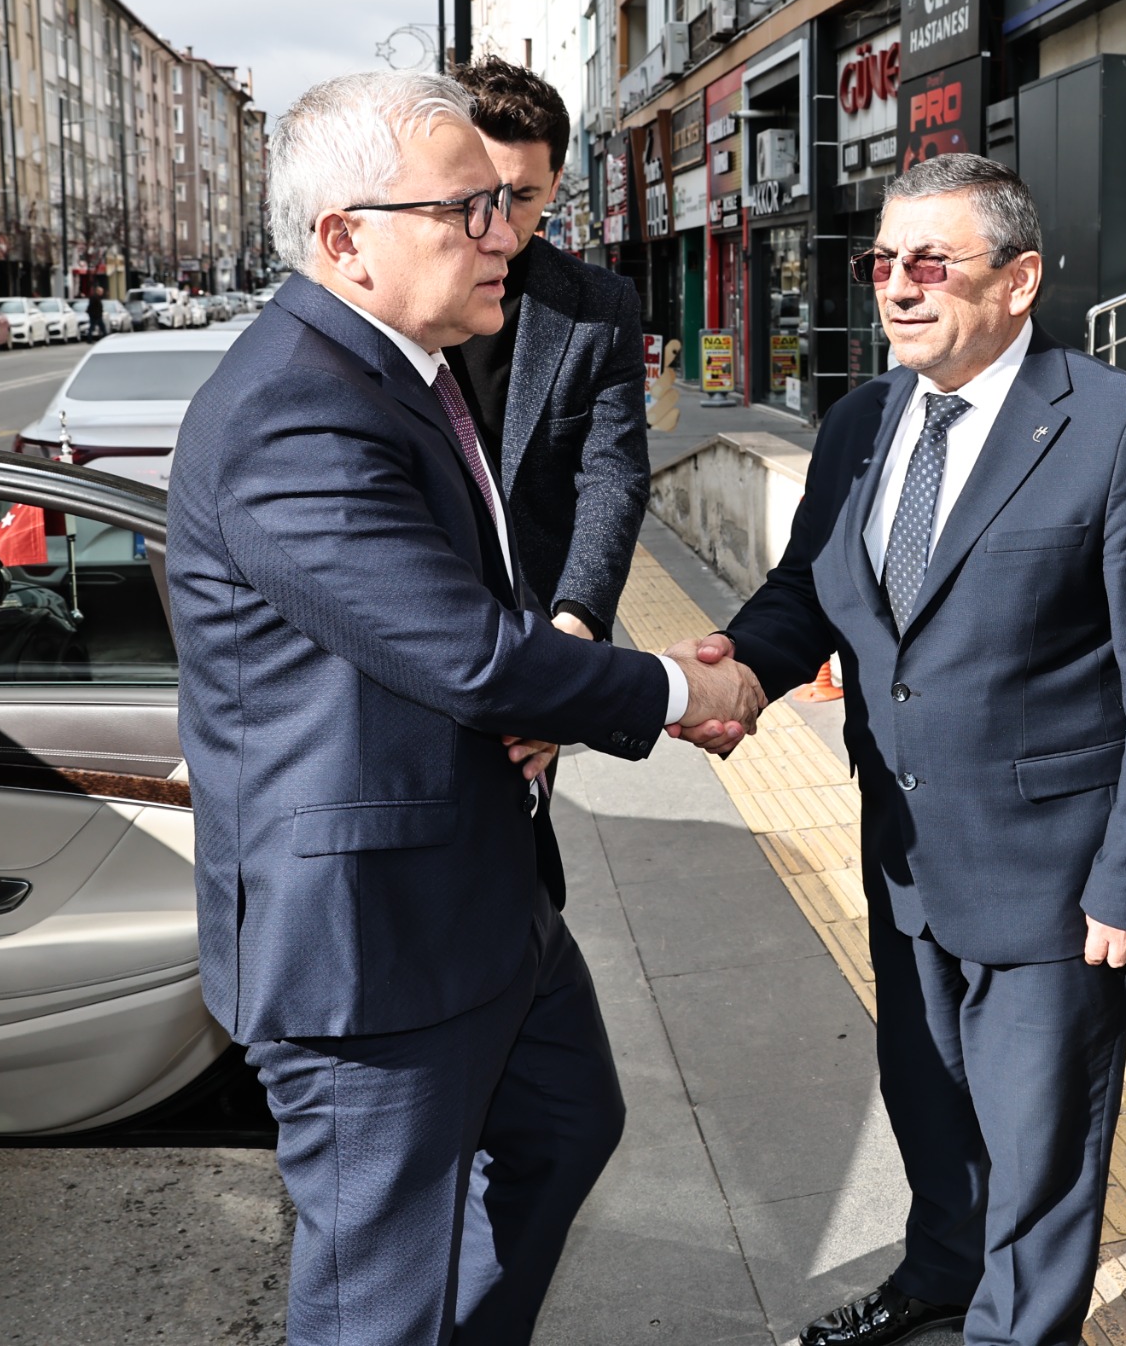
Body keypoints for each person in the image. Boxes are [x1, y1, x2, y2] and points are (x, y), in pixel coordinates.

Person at [168, 71, 765, 1346]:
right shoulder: (292, 408)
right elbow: (470, 654)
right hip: (371, 943)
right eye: (466, 210)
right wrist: (679, 688)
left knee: (567, 1125)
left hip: (479, 890)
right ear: (346, 238)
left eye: (507, 203)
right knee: (376, 1300)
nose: (503, 234)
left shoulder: (396, 372)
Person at [681, 154, 1126, 1346]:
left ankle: (1016, 1330)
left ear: (1019, 279)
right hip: (904, 851)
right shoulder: (861, 422)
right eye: (882, 261)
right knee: (926, 1096)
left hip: (1054, 873)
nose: (896, 286)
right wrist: (740, 669)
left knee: (1041, 1143)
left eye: (930, 261)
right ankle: (938, 1275)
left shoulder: (1115, 427)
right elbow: (807, 591)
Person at [446, 56, 649, 642]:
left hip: (548, 621)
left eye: (524, 196)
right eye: (481, 196)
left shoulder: (600, 305)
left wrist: (578, 616)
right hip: (418, 618)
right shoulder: (395, 297)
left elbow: (614, 473)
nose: (499, 224)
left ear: (557, 184)